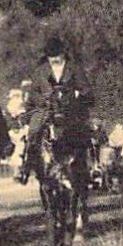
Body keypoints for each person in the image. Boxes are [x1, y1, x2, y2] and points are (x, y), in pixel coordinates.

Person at [17, 36, 94, 184]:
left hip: (70, 109)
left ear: (63, 53)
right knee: (33, 131)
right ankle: (26, 167)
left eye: (57, 55)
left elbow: (86, 89)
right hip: (46, 109)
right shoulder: (40, 71)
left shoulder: (74, 68)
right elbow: (33, 93)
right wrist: (42, 102)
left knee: (86, 132)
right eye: (51, 56)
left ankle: (89, 168)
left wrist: (78, 100)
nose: (54, 59)